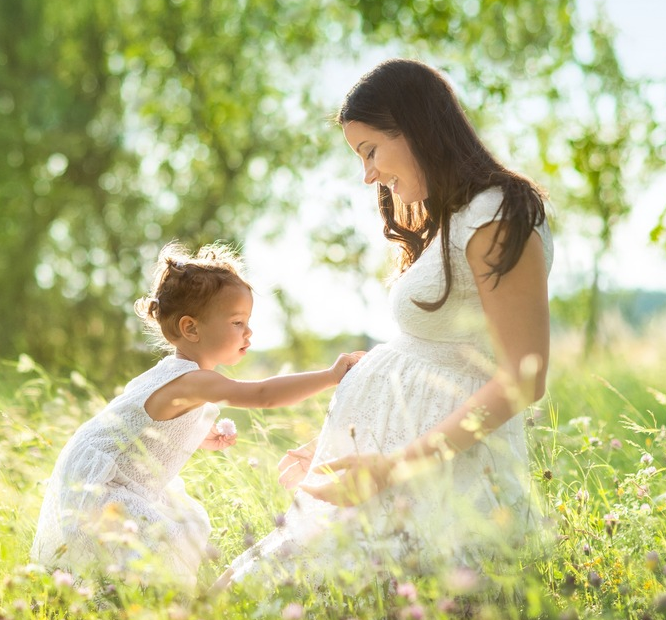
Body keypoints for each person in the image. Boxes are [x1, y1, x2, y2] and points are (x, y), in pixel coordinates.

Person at [219, 58, 554, 588]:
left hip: (439, 484)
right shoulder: (455, 221)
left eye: (370, 150)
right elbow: (426, 357)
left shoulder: (497, 214)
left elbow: (523, 378)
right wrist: (344, 440)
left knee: (264, 594)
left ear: (416, 127)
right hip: (399, 476)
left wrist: (392, 467)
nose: (368, 174)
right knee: (242, 591)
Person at [30, 241, 364, 586]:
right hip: (105, 485)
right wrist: (330, 375)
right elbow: (262, 395)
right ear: (191, 329)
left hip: (106, 471)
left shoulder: (175, 374)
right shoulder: (192, 379)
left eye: (248, 321)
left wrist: (196, 434)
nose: (248, 332)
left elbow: (143, 426)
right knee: (151, 550)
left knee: (144, 556)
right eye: (237, 322)